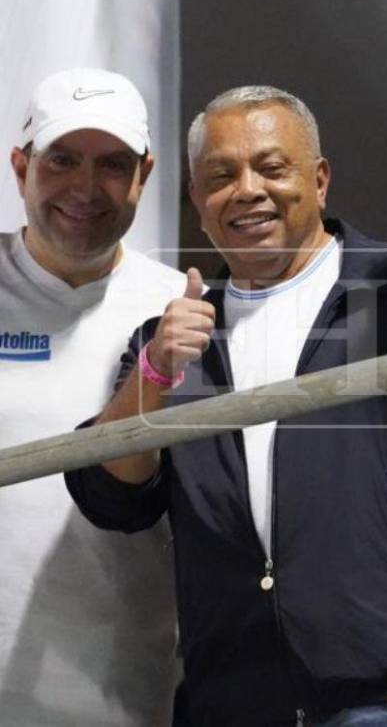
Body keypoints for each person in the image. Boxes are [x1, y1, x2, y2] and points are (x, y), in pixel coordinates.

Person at [65, 85, 387, 726]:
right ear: (196, 199)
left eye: (272, 168)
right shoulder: (173, 338)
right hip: (233, 702)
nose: (246, 190)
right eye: (221, 176)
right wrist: (156, 370)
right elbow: (112, 498)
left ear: (320, 180)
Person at [0, 67, 185, 725]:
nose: (84, 187)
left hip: (123, 698)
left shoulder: (182, 311)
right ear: (21, 167)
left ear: (145, 173)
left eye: (111, 164)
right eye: (62, 160)